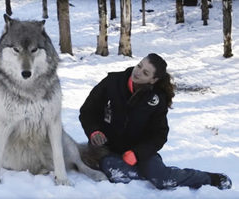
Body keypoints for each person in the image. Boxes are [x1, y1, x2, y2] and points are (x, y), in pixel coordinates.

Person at [79, 53, 232, 190]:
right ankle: (147, 175)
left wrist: (137, 154)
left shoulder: (157, 99)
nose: (137, 72)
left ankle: (210, 178)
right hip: (107, 149)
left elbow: (159, 135)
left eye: (145, 72)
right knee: (115, 172)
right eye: (139, 65)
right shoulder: (112, 82)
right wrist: (94, 131)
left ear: (153, 80)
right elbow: (87, 111)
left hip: (140, 152)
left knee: (163, 179)